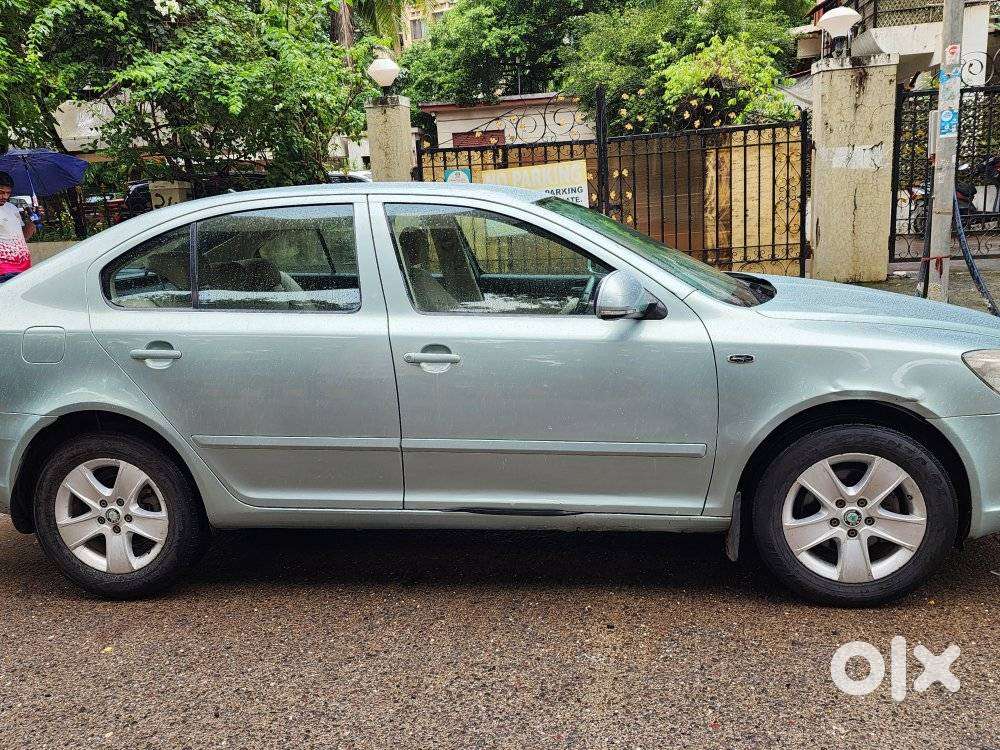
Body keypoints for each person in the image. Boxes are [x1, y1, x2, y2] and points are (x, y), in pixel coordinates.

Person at [0, 171, 35, 283]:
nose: (5, 196)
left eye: (8, 193)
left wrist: (32, 220)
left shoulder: (12, 208)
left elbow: (24, 237)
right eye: (1, 192)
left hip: (24, 267)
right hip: (4, 271)